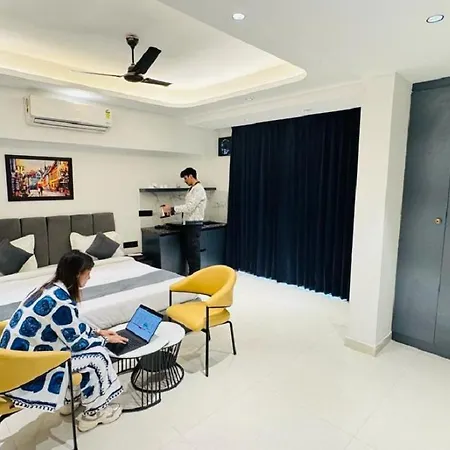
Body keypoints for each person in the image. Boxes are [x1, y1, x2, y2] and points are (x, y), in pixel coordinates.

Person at [0, 250, 128, 432]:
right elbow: (78, 343)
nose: (90, 277)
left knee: (84, 350)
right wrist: (105, 340)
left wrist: (99, 332)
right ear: (77, 274)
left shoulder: (46, 289)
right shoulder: (61, 302)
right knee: (98, 356)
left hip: (9, 363)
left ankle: (70, 401)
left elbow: (70, 326)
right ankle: (94, 414)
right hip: (26, 370)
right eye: (88, 273)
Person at [162, 167, 207, 274]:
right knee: (190, 253)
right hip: (188, 225)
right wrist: (171, 211)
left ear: (191, 176)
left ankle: (195, 276)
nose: (185, 181)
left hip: (194, 225)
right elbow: (188, 208)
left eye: (185, 178)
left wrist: (172, 209)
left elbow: (189, 207)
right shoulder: (191, 189)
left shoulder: (198, 189)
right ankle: (192, 275)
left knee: (193, 253)